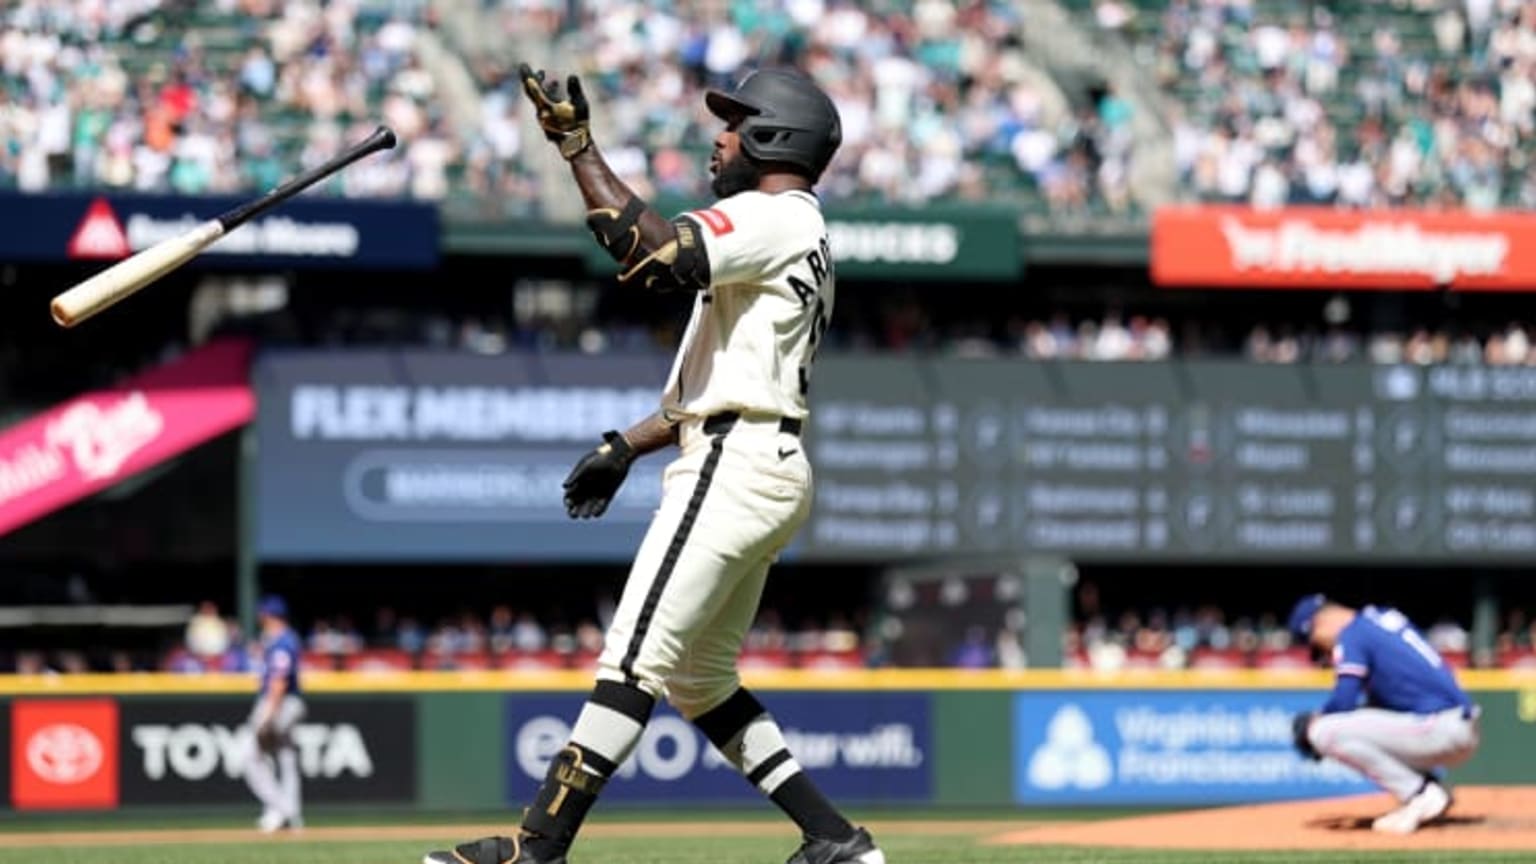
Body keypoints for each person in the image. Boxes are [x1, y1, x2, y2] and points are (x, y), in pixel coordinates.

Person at [425, 65, 882, 864]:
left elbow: (651, 254)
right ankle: (835, 839)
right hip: (759, 455)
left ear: (775, 136)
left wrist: (576, 146)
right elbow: (719, 377)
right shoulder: (798, 229)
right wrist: (627, 444)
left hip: (734, 462)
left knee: (632, 658)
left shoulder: (772, 217)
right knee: (701, 681)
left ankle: (537, 850)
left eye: (735, 122)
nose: (721, 135)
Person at [1287, 594, 1481, 835]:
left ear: (1318, 624)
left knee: (1323, 731)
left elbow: (1345, 699)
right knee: (1357, 722)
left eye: (1316, 644)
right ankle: (1429, 787)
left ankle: (1421, 793)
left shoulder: (1353, 632)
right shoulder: (1379, 619)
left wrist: (1317, 720)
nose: (1324, 654)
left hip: (1438, 725)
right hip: (1455, 725)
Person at [243, 594, 306, 833]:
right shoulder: (282, 639)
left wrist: (268, 714)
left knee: (249, 755)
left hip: (280, 702)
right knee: (286, 756)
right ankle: (291, 815)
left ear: (268, 615)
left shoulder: (282, 642)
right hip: (290, 702)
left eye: (263, 613)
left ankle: (282, 810)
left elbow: (279, 681)